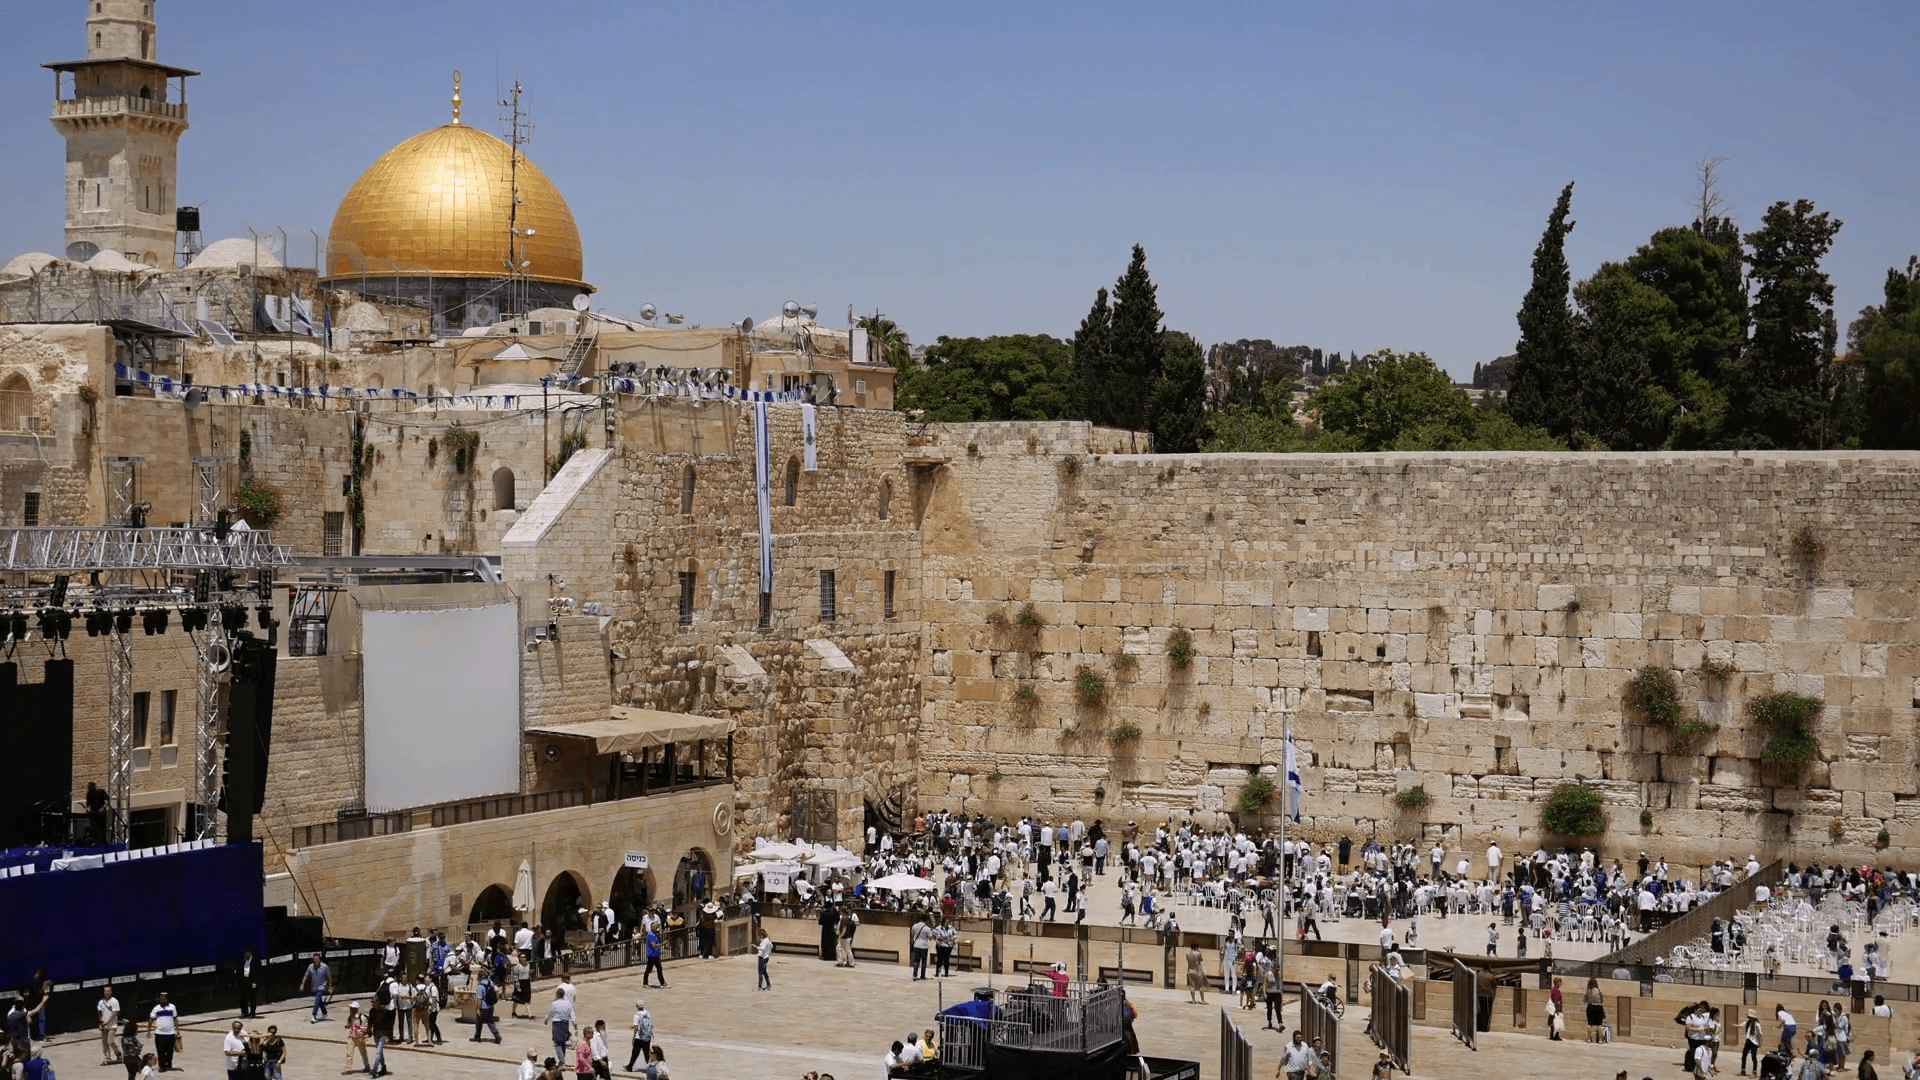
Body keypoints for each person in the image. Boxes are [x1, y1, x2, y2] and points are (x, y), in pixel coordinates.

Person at [545, 987, 577, 1067]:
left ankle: (562, 1062)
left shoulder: (555, 1003)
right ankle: (562, 1060)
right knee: (563, 1043)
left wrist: (546, 1019)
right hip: (565, 1023)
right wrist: (574, 1024)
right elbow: (572, 1015)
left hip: (557, 1023)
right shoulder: (568, 1003)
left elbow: (550, 1013)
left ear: (558, 994)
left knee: (557, 1043)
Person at [148, 991, 179, 1072]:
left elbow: (175, 1019)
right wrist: (148, 1030)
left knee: (170, 1051)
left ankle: (168, 1065)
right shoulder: (156, 1008)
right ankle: (161, 1066)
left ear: (167, 999)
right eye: (161, 998)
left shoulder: (172, 1007)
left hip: (170, 1033)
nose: (162, 1000)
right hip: (159, 1033)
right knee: (160, 1051)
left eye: (164, 998)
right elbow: (151, 1019)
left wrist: (177, 1030)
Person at [471, 975, 501, 1044]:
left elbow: (479, 999)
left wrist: (478, 1009)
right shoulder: (490, 982)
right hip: (490, 1005)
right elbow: (496, 990)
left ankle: (497, 1036)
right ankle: (477, 1036)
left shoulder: (480, 986)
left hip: (484, 1007)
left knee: (488, 1022)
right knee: (479, 1021)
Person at [300, 955, 332, 1023]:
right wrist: (302, 984)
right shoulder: (311, 966)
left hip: (322, 986)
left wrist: (330, 987)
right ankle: (324, 1013)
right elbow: (306, 976)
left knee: (317, 1000)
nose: (316, 960)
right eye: (314, 959)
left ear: (320, 959)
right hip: (314, 987)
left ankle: (314, 1015)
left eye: (317, 959)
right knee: (319, 1000)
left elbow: (329, 977)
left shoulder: (325, 967)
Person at [98, 984, 122, 1066]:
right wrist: (101, 1022)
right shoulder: (101, 1002)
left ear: (111, 992)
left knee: (110, 1040)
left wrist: (107, 1022)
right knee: (104, 1042)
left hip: (112, 1025)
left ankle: (118, 1053)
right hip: (104, 1026)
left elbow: (114, 1014)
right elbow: (100, 1013)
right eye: (105, 991)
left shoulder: (114, 1001)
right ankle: (107, 1057)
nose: (106, 993)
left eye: (108, 991)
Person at [344, 1003, 371, 1074]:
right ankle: (348, 1069)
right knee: (349, 1053)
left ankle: (367, 1066)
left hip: (360, 1037)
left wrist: (363, 1035)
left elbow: (366, 1027)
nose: (350, 1010)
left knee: (363, 1053)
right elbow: (349, 1024)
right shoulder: (350, 1016)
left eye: (352, 1008)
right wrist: (348, 1026)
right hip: (352, 1037)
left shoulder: (361, 1017)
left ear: (356, 1009)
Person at [627, 1001, 653, 1072]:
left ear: (637, 1006)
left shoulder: (637, 1015)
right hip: (647, 1037)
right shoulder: (647, 1013)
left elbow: (636, 1027)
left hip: (639, 1037)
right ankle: (651, 1068)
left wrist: (631, 1028)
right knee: (647, 1053)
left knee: (635, 1053)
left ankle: (630, 1066)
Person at [1584, 976, 1607, 1043]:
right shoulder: (1599, 991)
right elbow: (1602, 999)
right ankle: (1600, 1039)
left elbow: (1585, 1000)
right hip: (1598, 1007)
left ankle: (1589, 1039)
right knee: (1599, 1024)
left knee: (1589, 1023)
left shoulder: (1588, 991)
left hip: (1590, 1006)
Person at [238, 949, 259, 1019]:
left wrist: (255, 982)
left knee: (252, 998)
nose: (246, 955)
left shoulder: (255, 961)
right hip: (244, 980)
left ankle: (252, 1013)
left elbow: (257, 972)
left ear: (250, 953)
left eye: (247, 953)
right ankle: (244, 1012)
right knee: (243, 998)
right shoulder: (243, 961)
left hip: (251, 981)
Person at [1741, 1010, 1762, 1075]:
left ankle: (1754, 1071)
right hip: (1748, 1040)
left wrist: (1760, 1038)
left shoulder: (1757, 1024)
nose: (1749, 1018)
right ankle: (1743, 1070)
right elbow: (1741, 1025)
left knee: (1753, 1057)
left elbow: (1760, 1033)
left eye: (1750, 1017)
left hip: (1754, 1042)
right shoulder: (1747, 1023)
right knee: (1744, 1055)